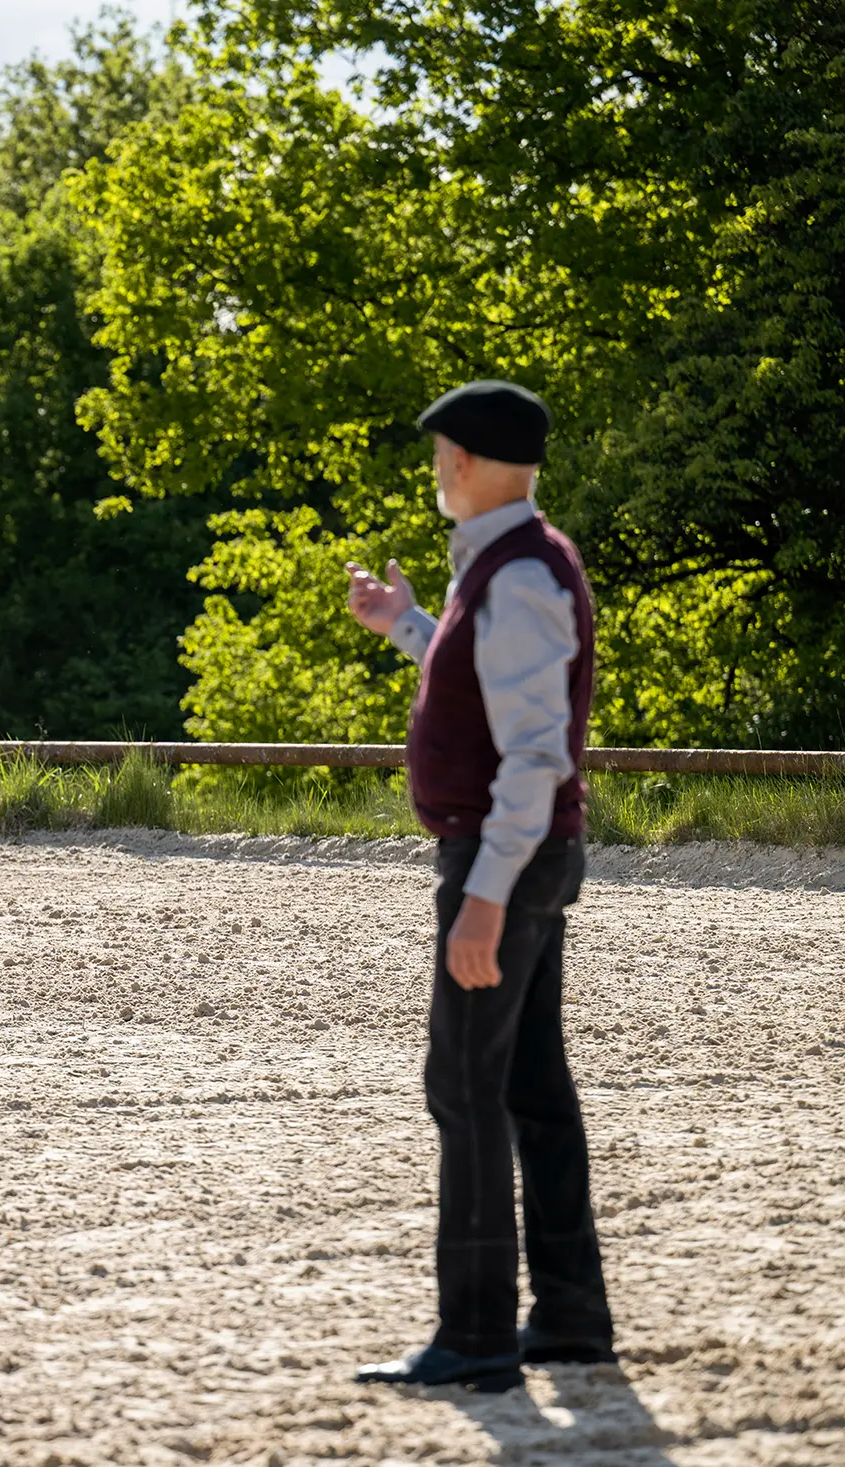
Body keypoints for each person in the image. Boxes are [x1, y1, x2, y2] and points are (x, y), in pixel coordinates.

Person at [344, 380, 616, 1394]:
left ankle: (475, 1337)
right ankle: (572, 1317)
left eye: (438, 458)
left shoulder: (519, 577)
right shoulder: (509, 570)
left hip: (501, 861)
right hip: (522, 858)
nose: (435, 475)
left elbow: (533, 754)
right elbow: (487, 687)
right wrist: (409, 625)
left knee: (462, 1090)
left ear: (460, 461)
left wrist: (485, 897)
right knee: (530, 1088)